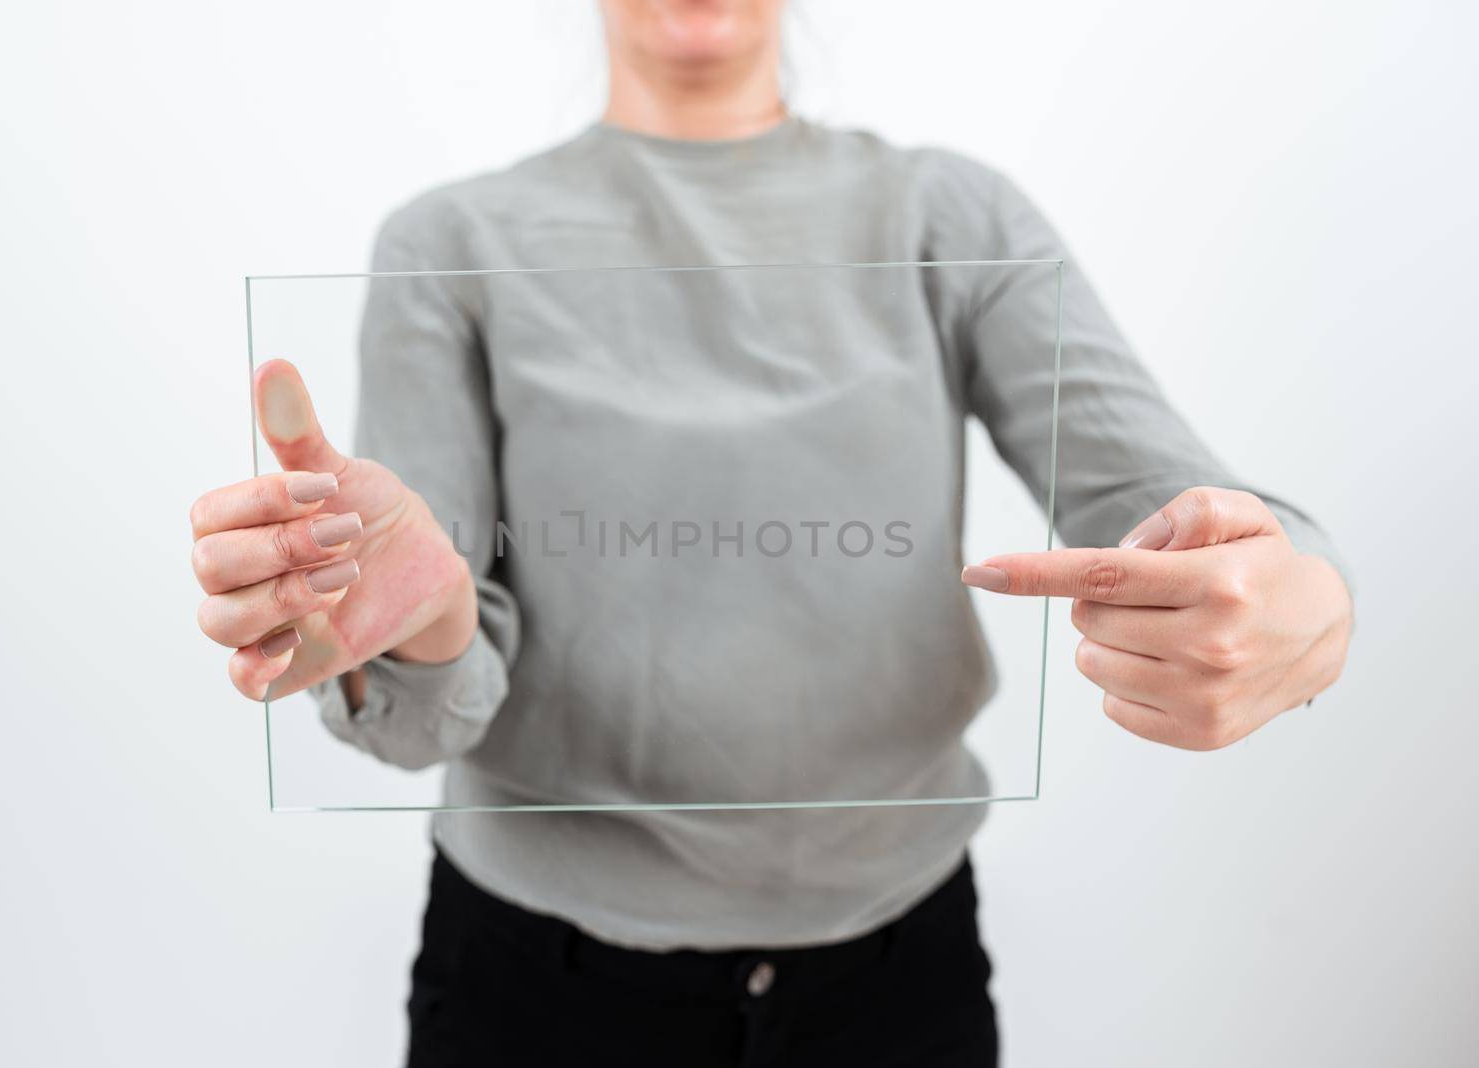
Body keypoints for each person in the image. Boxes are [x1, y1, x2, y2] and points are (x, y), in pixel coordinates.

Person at [188, 2, 1354, 1064]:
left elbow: (1184, 511)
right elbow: (430, 701)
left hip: (899, 981)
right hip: (536, 990)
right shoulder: (450, 243)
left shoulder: (948, 214)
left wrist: (1302, 590)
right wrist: (424, 624)